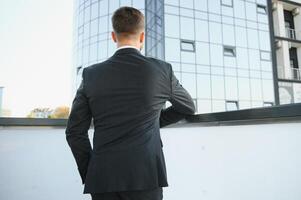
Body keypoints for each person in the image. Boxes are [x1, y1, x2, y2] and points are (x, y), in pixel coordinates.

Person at [65, 6, 195, 200]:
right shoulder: (161, 71)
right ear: (142, 37)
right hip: (146, 175)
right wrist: (156, 120)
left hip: (103, 178)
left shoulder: (91, 75)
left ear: (113, 36)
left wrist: (91, 171)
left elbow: (74, 132)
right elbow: (188, 107)